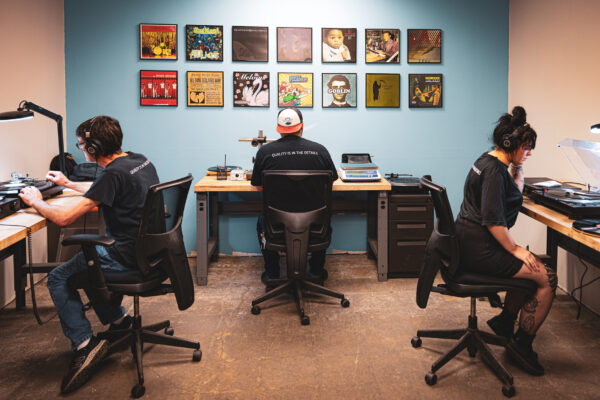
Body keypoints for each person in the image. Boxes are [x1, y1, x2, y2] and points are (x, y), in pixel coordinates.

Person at [19, 116, 159, 394]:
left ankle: (85, 344)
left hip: (124, 255)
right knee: (87, 264)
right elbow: (104, 190)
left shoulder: (114, 174)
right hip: (151, 252)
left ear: (92, 148)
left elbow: (63, 219)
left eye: (81, 145)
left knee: (58, 278)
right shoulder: (138, 161)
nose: (81, 149)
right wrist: (69, 183)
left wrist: (35, 201)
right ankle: (119, 322)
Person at [455, 106, 556, 376]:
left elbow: (510, 192)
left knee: (530, 264)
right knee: (546, 277)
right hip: (481, 250)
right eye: (526, 147)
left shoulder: (488, 161)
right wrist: (514, 249)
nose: (529, 152)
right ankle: (521, 346)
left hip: (469, 242)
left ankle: (505, 321)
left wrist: (518, 165)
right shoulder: (495, 174)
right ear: (510, 144)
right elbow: (492, 220)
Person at [251, 108, 338, 286]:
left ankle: (273, 275)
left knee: (262, 221)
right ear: (302, 127)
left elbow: (259, 186)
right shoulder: (320, 150)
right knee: (325, 218)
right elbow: (331, 182)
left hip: (277, 225)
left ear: (279, 129)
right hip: (314, 223)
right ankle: (315, 272)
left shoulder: (265, 152)